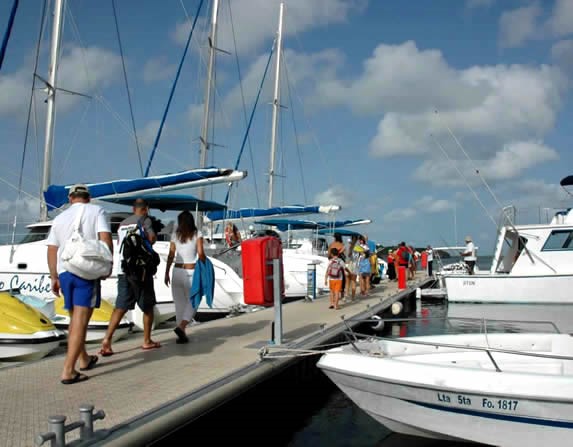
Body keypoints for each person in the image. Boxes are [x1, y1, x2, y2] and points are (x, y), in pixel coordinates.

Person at [47, 184, 113, 384]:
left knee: (74, 318)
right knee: (81, 321)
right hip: (85, 271)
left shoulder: (59, 218)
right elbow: (105, 239)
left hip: (65, 271)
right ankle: (69, 370)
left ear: (70, 198)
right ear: (89, 197)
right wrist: (108, 265)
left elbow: (52, 249)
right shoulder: (97, 211)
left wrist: (53, 276)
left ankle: (84, 358)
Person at [100, 198, 160, 356]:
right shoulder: (145, 220)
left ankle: (107, 340)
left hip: (123, 269)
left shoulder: (122, 224)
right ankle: (147, 341)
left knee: (120, 306)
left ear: (134, 209)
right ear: (146, 209)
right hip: (140, 271)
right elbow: (152, 238)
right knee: (148, 306)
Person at [164, 211, 205, 344]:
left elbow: (171, 254)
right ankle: (182, 326)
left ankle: (181, 334)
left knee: (179, 304)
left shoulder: (176, 235)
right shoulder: (196, 234)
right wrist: (205, 266)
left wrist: (166, 272)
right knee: (194, 300)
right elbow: (201, 253)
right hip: (190, 271)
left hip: (176, 271)